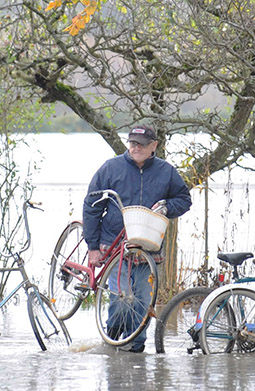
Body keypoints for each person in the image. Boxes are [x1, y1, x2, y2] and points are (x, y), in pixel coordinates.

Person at [82, 125, 192, 353]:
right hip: (115, 247)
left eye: (141, 144)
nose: (136, 147)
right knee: (122, 300)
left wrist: (166, 206)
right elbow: (91, 207)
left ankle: (135, 350)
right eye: (132, 143)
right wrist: (92, 247)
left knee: (142, 304)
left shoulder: (166, 171)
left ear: (154, 145)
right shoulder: (111, 168)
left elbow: (184, 199)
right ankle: (111, 341)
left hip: (149, 249)